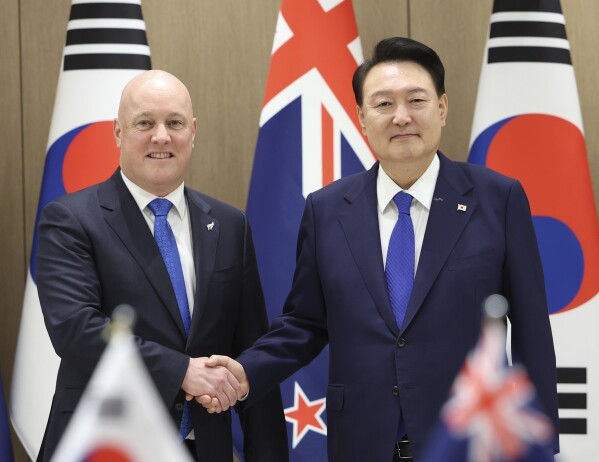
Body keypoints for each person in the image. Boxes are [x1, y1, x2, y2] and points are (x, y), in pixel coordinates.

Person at [202, 37, 560, 461]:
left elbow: (532, 330)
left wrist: (541, 442)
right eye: (384, 104)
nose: (401, 117)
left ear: (442, 108)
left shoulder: (497, 200)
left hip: (468, 441)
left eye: (416, 99)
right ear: (361, 117)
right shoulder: (327, 209)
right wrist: (245, 371)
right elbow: (304, 324)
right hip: (361, 441)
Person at [35, 70, 288, 462]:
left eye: (174, 122)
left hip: (205, 448)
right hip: (107, 445)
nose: (161, 137)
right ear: (118, 132)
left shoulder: (228, 224)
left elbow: (249, 351)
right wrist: (181, 370)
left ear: (193, 131)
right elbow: (76, 329)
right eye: (144, 123)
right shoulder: (71, 219)